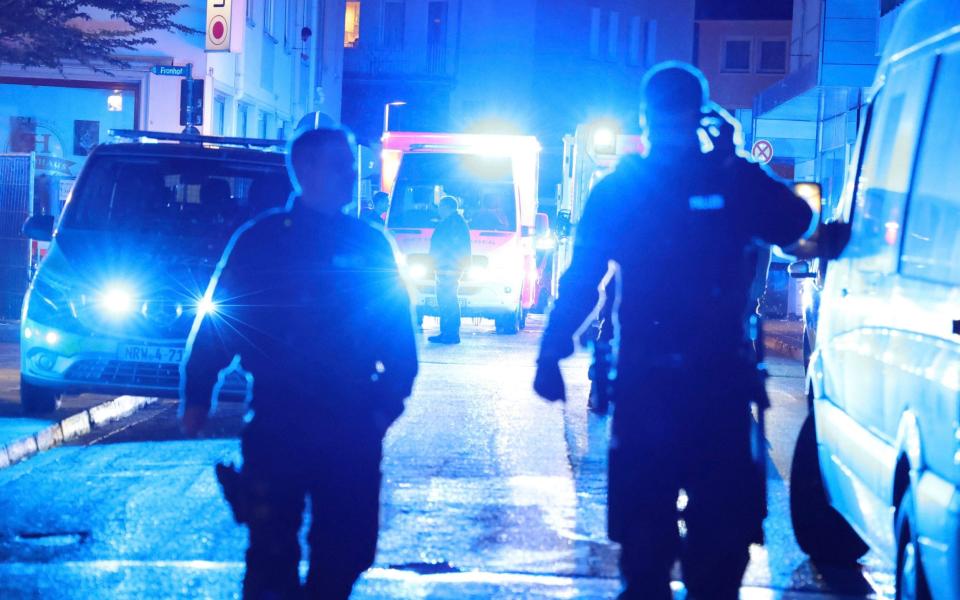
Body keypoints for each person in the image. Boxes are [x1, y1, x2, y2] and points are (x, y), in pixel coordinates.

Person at [534, 62, 813, 600]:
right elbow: (796, 222)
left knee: (645, 552)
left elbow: (582, 279)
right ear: (701, 113)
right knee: (719, 551)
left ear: (645, 118)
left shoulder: (621, 188)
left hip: (648, 380)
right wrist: (731, 158)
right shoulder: (732, 179)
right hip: (718, 382)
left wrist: (552, 351)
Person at [179, 126, 418, 599]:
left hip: (351, 418)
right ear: (304, 170)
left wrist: (384, 407)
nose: (352, 176)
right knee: (270, 551)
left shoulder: (369, 243)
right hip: (280, 416)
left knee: (349, 549)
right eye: (340, 166)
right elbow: (221, 322)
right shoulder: (262, 241)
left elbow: (397, 336)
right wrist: (197, 395)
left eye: (352, 166)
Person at [428, 195, 472, 344]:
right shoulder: (454, 222)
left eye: (441, 207)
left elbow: (449, 246)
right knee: (446, 299)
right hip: (447, 267)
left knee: (448, 299)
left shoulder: (453, 223)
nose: (439, 210)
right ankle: (447, 332)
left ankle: (450, 333)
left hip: (448, 267)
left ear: (447, 207)